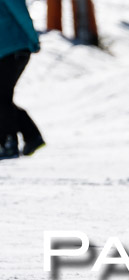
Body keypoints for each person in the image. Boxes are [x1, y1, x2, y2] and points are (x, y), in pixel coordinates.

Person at [0, 0, 45, 160]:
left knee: (2, 97)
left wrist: (33, 40)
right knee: (3, 97)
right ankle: (31, 136)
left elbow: (21, 14)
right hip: (4, 52)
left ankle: (9, 143)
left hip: (15, 49)